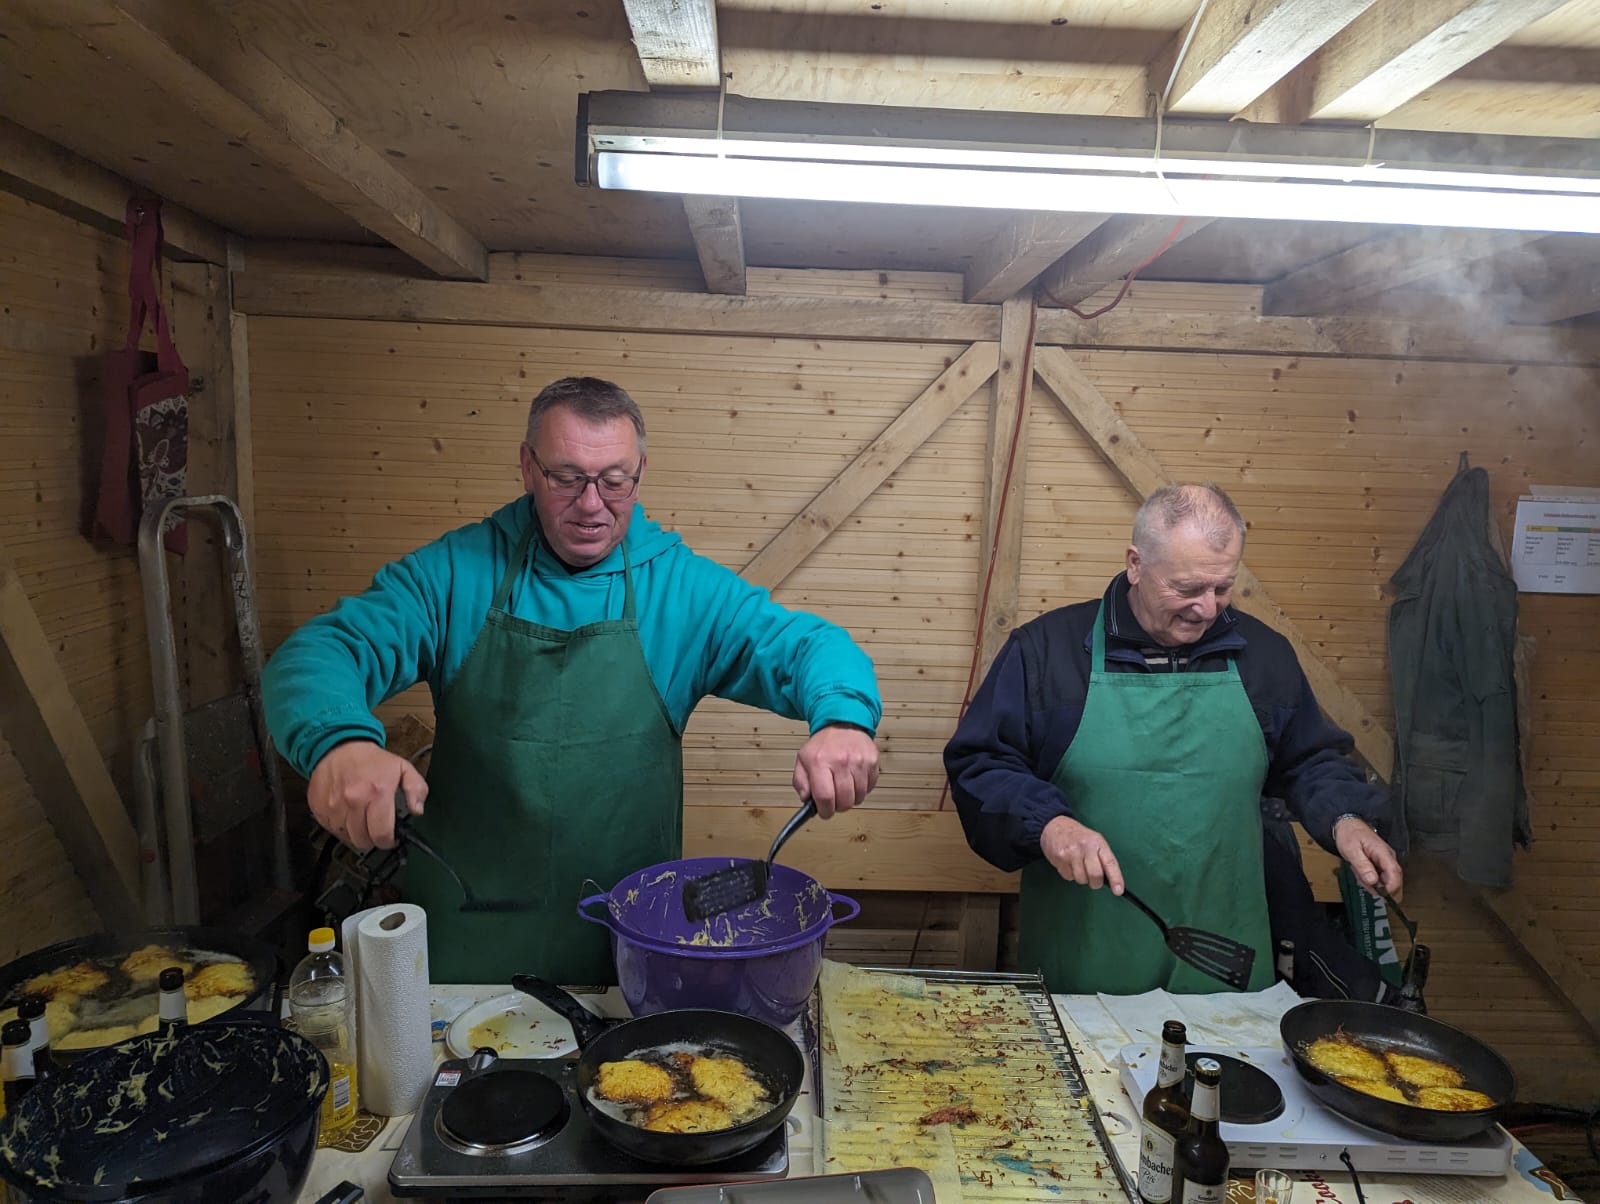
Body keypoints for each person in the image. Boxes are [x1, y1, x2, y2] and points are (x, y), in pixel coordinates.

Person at [264, 376, 882, 984]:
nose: (591, 504)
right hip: (465, 948)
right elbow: (322, 651)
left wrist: (843, 719)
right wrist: (340, 742)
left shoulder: (682, 590)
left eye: (615, 481)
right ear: (528, 467)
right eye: (566, 477)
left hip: (629, 951)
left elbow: (809, 646)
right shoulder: (454, 573)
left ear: (640, 472)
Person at [944, 483, 1402, 995]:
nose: (1206, 609)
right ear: (1136, 564)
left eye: (1222, 588)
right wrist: (1047, 823)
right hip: (1086, 951)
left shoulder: (1264, 657)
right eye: (1187, 588)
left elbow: (1309, 760)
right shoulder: (1048, 653)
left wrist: (1345, 817)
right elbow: (982, 764)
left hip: (1227, 953)